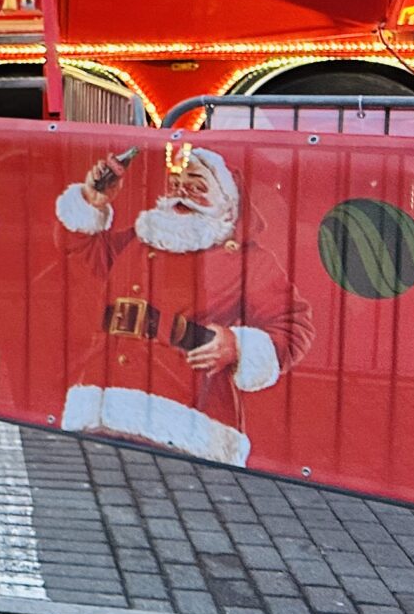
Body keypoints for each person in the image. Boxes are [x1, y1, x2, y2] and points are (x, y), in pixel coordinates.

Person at [55, 145, 315, 466]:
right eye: (177, 183)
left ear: (228, 204)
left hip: (186, 421)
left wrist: (237, 346)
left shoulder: (250, 262)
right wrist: (92, 202)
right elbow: (83, 255)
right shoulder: (142, 238)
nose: (181, 194)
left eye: (197, 185)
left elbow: (294, 326)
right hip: (102, 403)